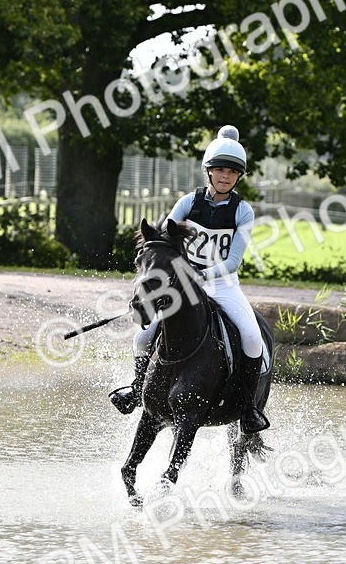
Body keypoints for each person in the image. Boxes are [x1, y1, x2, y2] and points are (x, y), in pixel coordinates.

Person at [109, 125, 270, 433]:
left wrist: (200, 274)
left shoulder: (243, 211)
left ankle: (249, 407)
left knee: (251, 338)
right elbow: (164, 241)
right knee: (143, 336)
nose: (225, 176)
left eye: (232, 172)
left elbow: (233, 261)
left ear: (239, 177)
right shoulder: (187, 203)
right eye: (219, 170)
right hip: (182, 285)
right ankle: (137, 388)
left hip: (222, 285)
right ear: (208, 172)